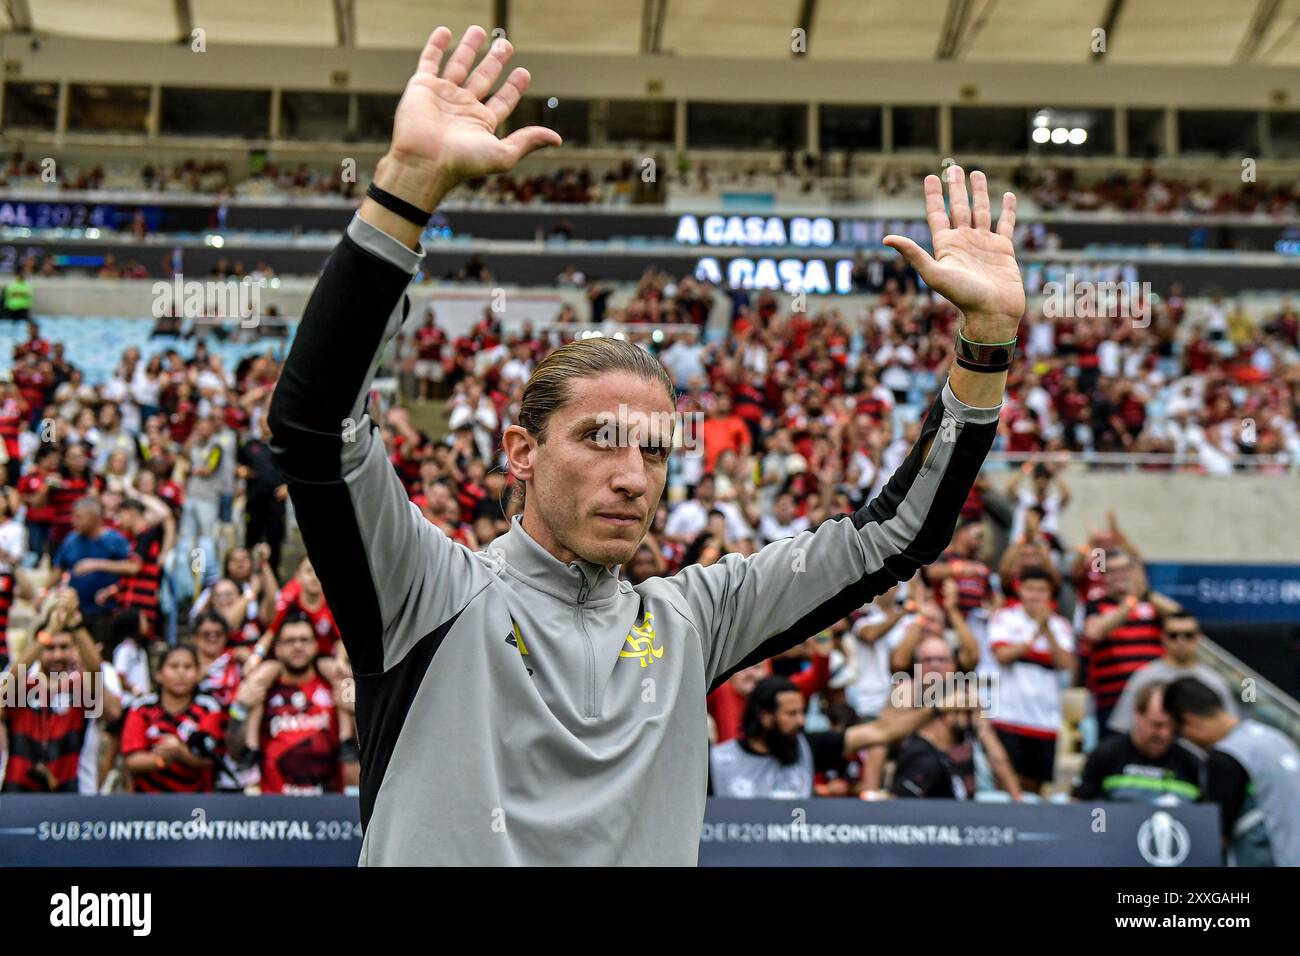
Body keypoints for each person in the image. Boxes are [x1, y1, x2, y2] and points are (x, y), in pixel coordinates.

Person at [265, 24, 1023, 865]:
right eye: (600, 439)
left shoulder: (690, 619)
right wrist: (406, 188)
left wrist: (985, 343)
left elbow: (894, 535)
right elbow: (313, 427)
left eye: (656, 451)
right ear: (521, 450)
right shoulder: (427, 591)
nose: (634, 478)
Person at [709, 676, 939, 799]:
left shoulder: (807, 747)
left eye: (802, 712)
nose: (802, 721)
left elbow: (881, 732)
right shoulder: (716, 762)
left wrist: (936, 709)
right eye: (791, 714)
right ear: (765, 717)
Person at [1165, 677, 1300, 867]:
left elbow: (1216, 835)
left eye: (1180, 733)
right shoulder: (1276, 737)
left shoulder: (1227, 757)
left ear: (1190, 720)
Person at [0, 603, 122, 792]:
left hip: (74, 795)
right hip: (18, 794)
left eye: (64, 647)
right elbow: (8, 683)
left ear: (75, 649)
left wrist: (77, 627)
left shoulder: (83, 686)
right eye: (50, 648)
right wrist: (48, 631)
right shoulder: (23, 687)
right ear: (38, 649)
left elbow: (112, 711)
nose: (57, 655)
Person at [225, 615, 343, 795]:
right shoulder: (261, 688)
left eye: (304, 640)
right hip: (275, 808)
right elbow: (234, 750)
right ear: (277, 648)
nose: (297, 646)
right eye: (289, 641)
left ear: (316, 645)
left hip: (329, 805)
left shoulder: (334, 686)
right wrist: (240, 707)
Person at [988, 568, 1075, 793]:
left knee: (1035, 787)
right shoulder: (1005, 618)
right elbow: (1002, 655)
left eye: (1041, 590)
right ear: (1020, 590)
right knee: (1006, 783)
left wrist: (1047, 631)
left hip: (1044, 719)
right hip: (1009, 714)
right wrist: (1033, 636)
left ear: (1050, 594)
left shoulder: (1059, 625)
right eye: (1030, 589)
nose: (1035, 595)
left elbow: (1065, 663)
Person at [1107, 613, 1237, 736]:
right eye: (1173, 635)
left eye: (1188, 635)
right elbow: (1122, 727)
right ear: (1162, 637)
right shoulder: (1144, 677)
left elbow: (1230, 727)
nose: (1181, 641)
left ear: (1198, 637)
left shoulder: (1214, 680)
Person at [1073, 682, 1201, 804]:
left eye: (1172, 726)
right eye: (1157, 725)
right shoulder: (1106, 755)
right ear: (1137, 715)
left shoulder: (1191, 764)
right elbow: (1077, 808)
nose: (1165, 734)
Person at [120, 646, 224, 793]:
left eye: (188, 667)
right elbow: (131, 760)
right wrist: (161, 760)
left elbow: (209, 759)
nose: (181, 672)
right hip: (149, 803)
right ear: (159, 674)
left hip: (197, 804)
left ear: (197, 674)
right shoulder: (141, 707)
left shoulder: (208, 707)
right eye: (174, 666)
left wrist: (179, 751)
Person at [53, 498, 138, 647]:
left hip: (106, 610)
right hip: (76, 610)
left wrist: (95, 564)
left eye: (78, 516)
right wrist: (45, 592)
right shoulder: (71, 539)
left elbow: (132, 567)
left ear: (94, 517)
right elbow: (58, 568)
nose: (73, 521)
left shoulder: (114, 539)